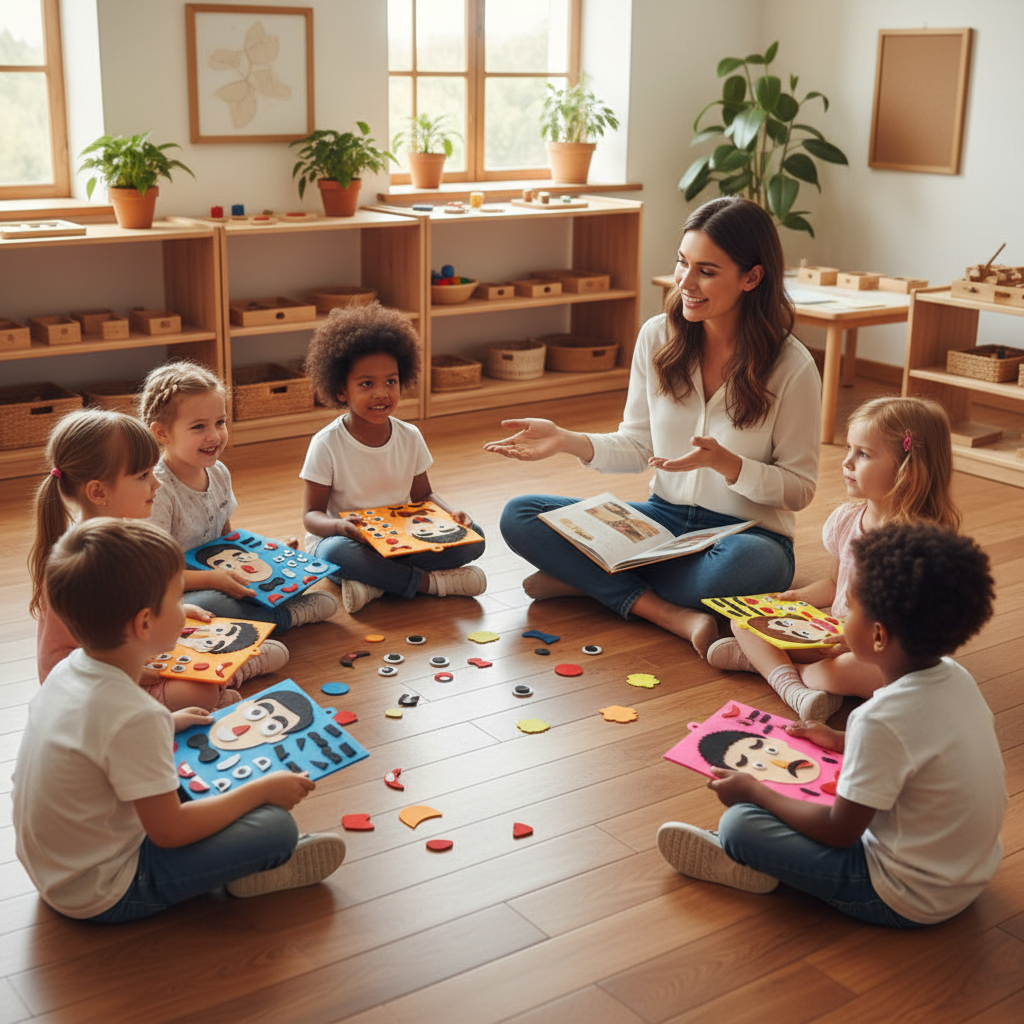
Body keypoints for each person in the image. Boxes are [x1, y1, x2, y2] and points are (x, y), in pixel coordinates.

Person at [487, 196, 821, 655]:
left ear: (752, 277)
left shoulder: (792, 366)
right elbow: (638, 443)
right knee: (520, 515)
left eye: (707, 270)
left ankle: (590, 581)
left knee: (746, 571)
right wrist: (568, 440)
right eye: (683, 262)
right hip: (660, 523)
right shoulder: (657, 337)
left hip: (744, 536)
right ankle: (667, 612)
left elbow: (800, 490)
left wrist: (730, 465)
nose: (685, 281)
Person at [657, 521, 1005, 928]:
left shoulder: (879, 718)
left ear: (877, 636)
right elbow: (921, 747)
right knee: (829, 787)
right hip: (968, 874)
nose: (838, 616)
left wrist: (756, 792)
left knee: (738, 825)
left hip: (905, 896)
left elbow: (840, 831)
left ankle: (750, 862)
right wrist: (842, 740)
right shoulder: (955, 677)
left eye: (850, 608)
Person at [13, 518, 346, 923]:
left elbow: (94, 743)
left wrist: (168, 726)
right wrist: (262, 791)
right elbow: (169, 832)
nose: (189, 609)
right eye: (176, 599)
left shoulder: (71, 671)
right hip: (104, 890)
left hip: (57, 867)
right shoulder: (135, 714)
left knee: (204, 773)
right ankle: (244, 873)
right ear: (144, 623)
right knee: (276, 829)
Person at [707, 395, 961, 721]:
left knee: (852, 671)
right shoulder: (846, 520)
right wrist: (796, 598)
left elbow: (918, 625)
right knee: (742, 621)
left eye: (864, 454)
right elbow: (832, 583)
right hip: (833, 631)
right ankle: (798, 684)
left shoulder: (920, 544)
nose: (847, 462)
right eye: (848, 450)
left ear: (907, 471)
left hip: (880, 651)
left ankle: (773, 671)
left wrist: (862, 641)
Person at [28, 408, 284, 710]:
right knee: (197, 694)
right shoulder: (80, 562)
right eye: (143, 476)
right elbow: (58, 663)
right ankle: (223, 680)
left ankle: (221, 677)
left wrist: (176, 610)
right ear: (98, 491)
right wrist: (128, 672)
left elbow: (132, 609)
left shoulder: (123, 537)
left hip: (133, 652)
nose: (157, 484)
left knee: (275, 651)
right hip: (95, 686)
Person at [300, 303, 486, 614]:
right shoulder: (326, 444)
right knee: (333, 553)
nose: (382, 393)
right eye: (366, 384)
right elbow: (311, 516)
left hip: (403, 538)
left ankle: (374, 584)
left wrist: (452, 513)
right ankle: (431, 584)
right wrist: (341, 528)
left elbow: (423, 495)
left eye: (391, 381)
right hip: (352, 541)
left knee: (475, 537)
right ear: (341, 390)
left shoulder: (410, 435)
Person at [139, 360, 338, 630]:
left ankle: (269, 607)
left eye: (220, 422)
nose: (214, 435)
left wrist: (260, 557)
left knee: (290, 571)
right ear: (162, 432)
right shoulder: (157, 490)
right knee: (212, 606)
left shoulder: (218, 472)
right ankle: (283, 618)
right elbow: (155, 578)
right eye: (198, 427)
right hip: (177, 587)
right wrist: (214, 580)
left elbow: (225, 537)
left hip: (219, 573)